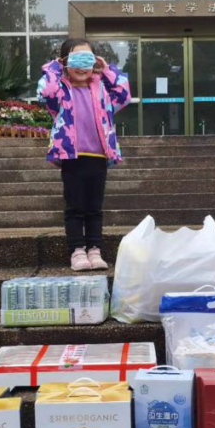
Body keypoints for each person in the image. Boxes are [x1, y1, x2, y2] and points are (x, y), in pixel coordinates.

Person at [37, 39, 131, 272]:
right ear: (65, 63)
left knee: (94, 207)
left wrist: (107, 69)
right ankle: (77, 250)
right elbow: (45, 91)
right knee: (75, 206)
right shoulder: (60, 90)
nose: (82, 67)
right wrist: (54, 68)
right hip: (71, 156)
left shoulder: (101, 89)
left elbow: (124, 94)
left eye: (87, 60)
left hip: (98, 156)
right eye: (76, 60)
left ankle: (94, 249)